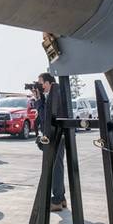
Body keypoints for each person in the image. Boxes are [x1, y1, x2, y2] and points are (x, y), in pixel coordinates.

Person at [38, 73, 67, 212]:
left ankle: (57, 200)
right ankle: (61, 198)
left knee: (56, 167)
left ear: (49, 82)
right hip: (56, 135)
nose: (40, 86)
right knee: (58, 166)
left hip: (55, 136)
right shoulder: (55, 92)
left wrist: (39, 100)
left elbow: (46, 117)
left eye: (41, 83)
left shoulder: (55, 93)